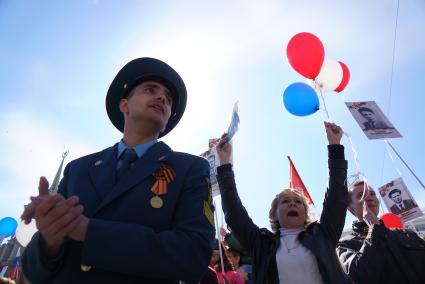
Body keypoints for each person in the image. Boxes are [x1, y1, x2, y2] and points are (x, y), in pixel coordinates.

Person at [19, 57, 215, 283]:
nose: (162, 97)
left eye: (168, 99)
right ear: (124, 105)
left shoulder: (189, 169)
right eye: (150, 90)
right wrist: (48, 239)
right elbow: (34, 272)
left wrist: (89, 231)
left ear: (169, 116)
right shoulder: (78, 169)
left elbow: (193, 255)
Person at [215, 122, 351, 284]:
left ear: (306, 212)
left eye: (298, 202)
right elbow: (234, 212)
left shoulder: (323, 234)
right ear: (275, 213)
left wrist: (335, 146)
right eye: (285, 201)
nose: (292, 204)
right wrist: (224, 164)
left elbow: (336, 195)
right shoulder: (261, 243)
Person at [337, 181, 425, 283]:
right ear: (350, 207)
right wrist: (374, 227)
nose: (369, 197)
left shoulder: (405, 233)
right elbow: (360, 276)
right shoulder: (344, 244)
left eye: (372, 194)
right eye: (361, 195)